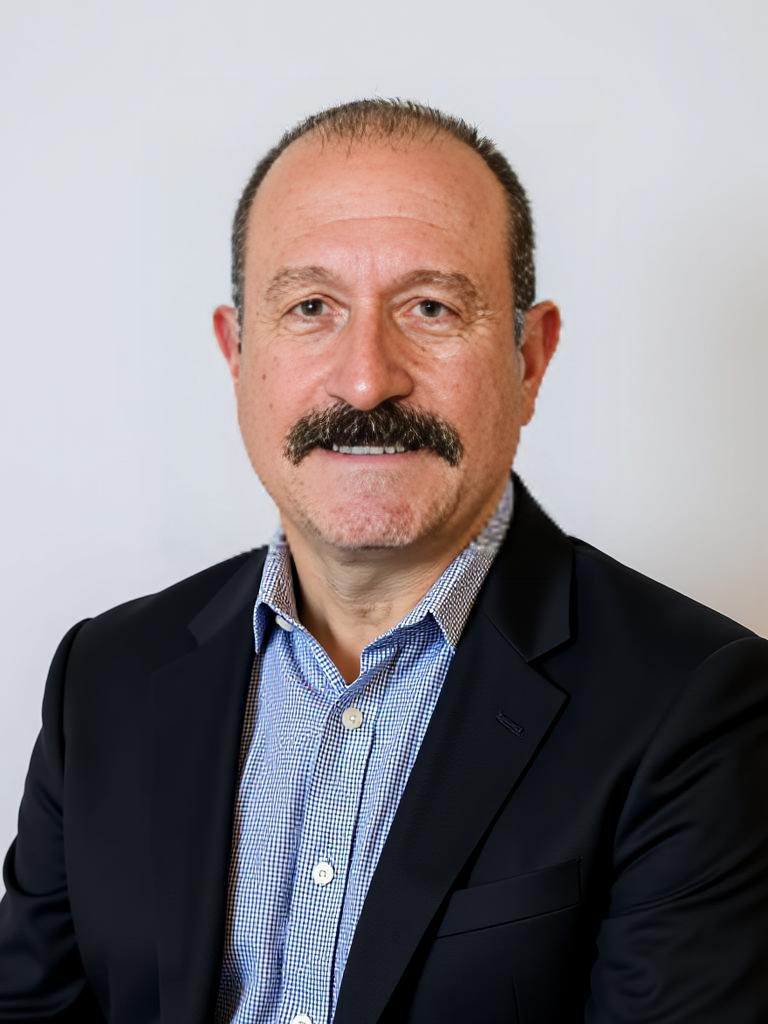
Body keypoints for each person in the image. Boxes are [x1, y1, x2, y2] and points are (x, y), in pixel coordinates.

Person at [1, 98, 767, 1024]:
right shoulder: (105, 676)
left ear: (530, 359)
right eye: (311, 307)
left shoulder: (698, 704)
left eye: (430, 307)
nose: (367, 380)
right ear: (237, 354)